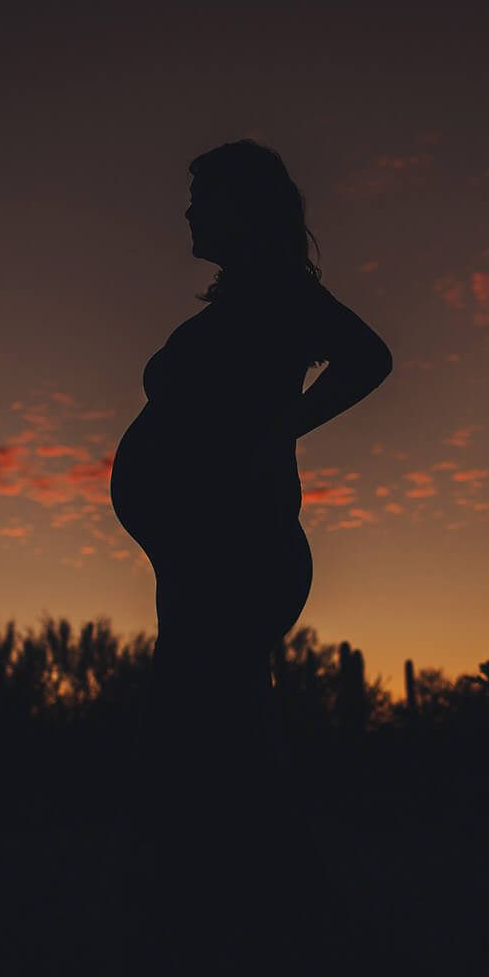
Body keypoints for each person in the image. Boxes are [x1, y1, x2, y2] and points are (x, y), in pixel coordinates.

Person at [111, 139, 392, 769]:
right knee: (213, 740)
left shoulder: (279, 289)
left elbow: (369, 359)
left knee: (202, 744)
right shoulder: (243, 300)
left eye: (200, 200)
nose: (188, 215)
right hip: (200, 554)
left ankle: (242, 864)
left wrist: (279, 432)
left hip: (237, 549)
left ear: (242, 207)